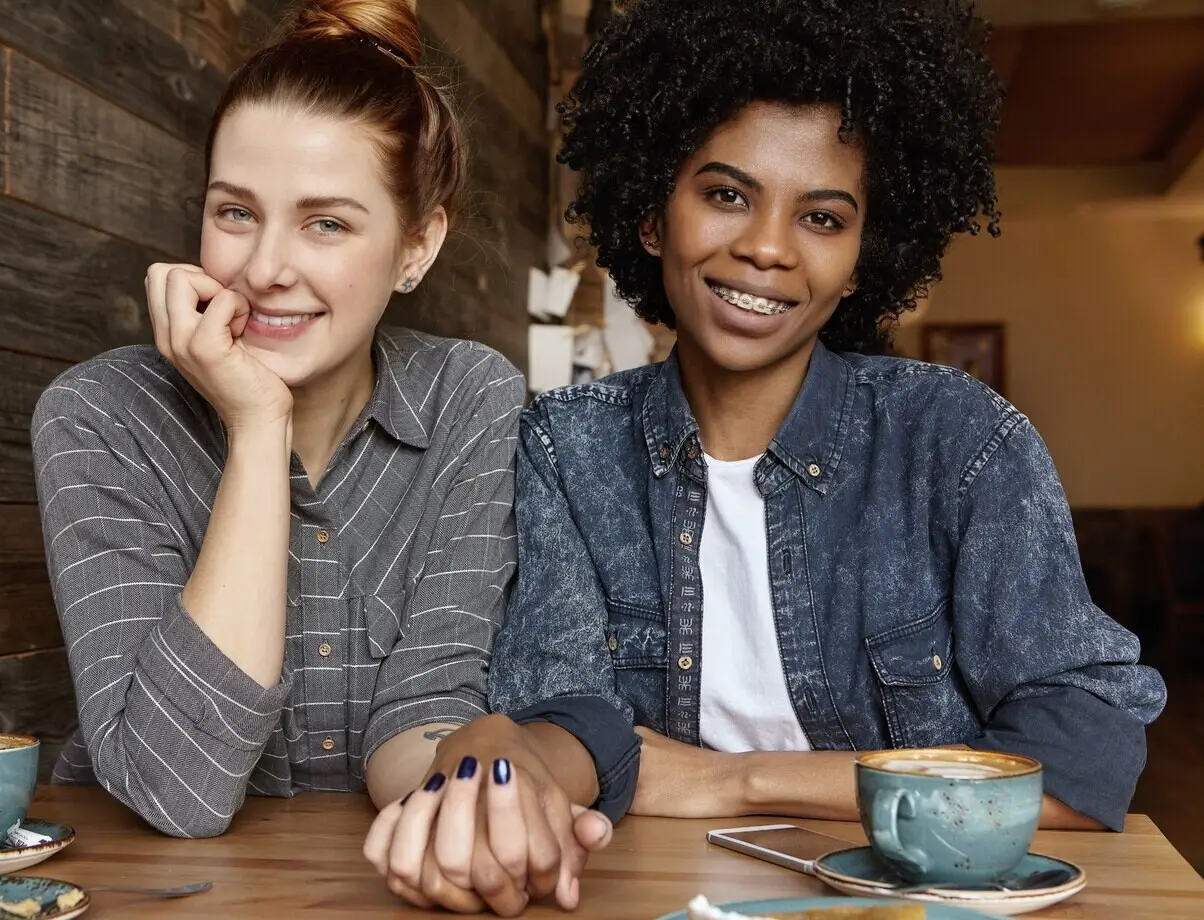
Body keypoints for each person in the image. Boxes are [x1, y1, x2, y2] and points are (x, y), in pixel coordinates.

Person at [363, 0, 1167, 913]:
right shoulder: (566, 446)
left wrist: (733, 781)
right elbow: (572, 724)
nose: (769, 248)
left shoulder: (960, 442)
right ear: (654, 214)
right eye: (725, 194)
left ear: (865, 258)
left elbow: (1079, 760)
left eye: (823, 218)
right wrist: (497, 754)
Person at [30, 0, 525, 839]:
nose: (264, 269)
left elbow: (430, 700)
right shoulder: (98, 417)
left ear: (417, 246)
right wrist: (258, 426)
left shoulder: (470, 399)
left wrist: (470, 805)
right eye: (235, 213)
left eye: (325, 223)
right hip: (141, 883)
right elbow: (174, 790)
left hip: (378, 869)